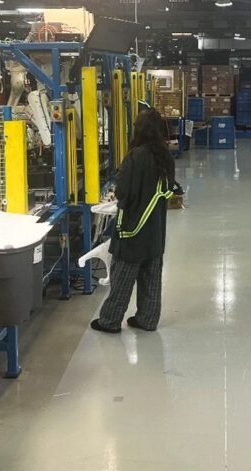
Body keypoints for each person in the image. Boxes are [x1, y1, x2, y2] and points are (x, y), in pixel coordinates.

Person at [91, 109, 177, 334]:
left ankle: (110, 321)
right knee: (151, 276)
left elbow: (123, 193)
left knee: (123, 276)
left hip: (132, 229)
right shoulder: (166, 157)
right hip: (156, 230)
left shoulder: (135, 156)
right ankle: (147, 319)